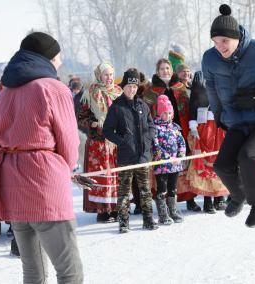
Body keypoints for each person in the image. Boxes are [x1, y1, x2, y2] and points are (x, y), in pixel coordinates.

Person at [0, 31, 83, 283]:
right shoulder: (53, 88)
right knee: (69, 270)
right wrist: (65, 169)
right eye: (57, 57)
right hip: (44, 185)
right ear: (46, 59)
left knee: (33, 271)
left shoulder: (4, 93)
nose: (60, 62)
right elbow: (69, 141)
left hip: (12, 184)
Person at [202, 4, 255, 227]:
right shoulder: (210, 59)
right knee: (222, 165)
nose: (220, 46)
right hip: (237, 120)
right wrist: (218, 114)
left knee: (249, 157)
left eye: (224, 41)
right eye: (215, 41)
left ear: (236, 37)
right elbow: (211, 88)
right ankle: (238, 195)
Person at [103, 68, 158, 232]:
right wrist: (122, 142)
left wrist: (147, 140)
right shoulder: (117, 107)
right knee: (124, 190)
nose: (132, 90)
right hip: (126, 156)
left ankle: (148, 219)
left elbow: (151, 126)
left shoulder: (143, 105)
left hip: (142, 155)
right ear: (123, 87)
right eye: (129, 86)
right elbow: (107, 130)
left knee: (145, 190)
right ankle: (123, 221)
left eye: (134, 87)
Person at [143, 58, 200, 211]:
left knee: (183, 165)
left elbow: (190, 109)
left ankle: (189, 199)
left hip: (180, 132)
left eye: (167, 68)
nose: (165, 71)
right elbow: (146, 114)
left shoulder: (181, 87)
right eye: (162, 69)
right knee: (163, 167)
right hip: (160, 134)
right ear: (157, 71)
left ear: (172, 70)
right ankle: (164, 202)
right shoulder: (151, 91)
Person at [78, 62, 122, 223]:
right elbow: (81, 118)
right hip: (99, 142)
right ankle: (102, 210)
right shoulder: (90, 92)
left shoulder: (118, 92)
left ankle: (116, 208)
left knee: (116, 174)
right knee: (102, 175)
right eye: (105, 74)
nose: (109, 78)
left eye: (111, 74)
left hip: (116, 141)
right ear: (99, 75)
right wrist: (93, 123)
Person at [186, 71, 229, 213]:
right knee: (206, 163)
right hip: (204, 127)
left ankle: (219, 198)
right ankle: (207, 200)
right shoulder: (200, 76)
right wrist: (193, 126)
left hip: (220, 126)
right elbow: (193, 101)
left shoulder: (222, 75)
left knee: (220, 161)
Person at [151, 95, 186, 224]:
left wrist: (180, 156)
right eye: (165, 113)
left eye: (170, 113)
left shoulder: (175, 127)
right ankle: (162, 213)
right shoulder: (155, 128)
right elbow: (155, 146)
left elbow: (181, 142)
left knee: (173, 188)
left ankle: (173, 210)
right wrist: (167, 158)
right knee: (162, 188)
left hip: (175, 164)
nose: (168, 116)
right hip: (162, 165)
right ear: (160, 113)